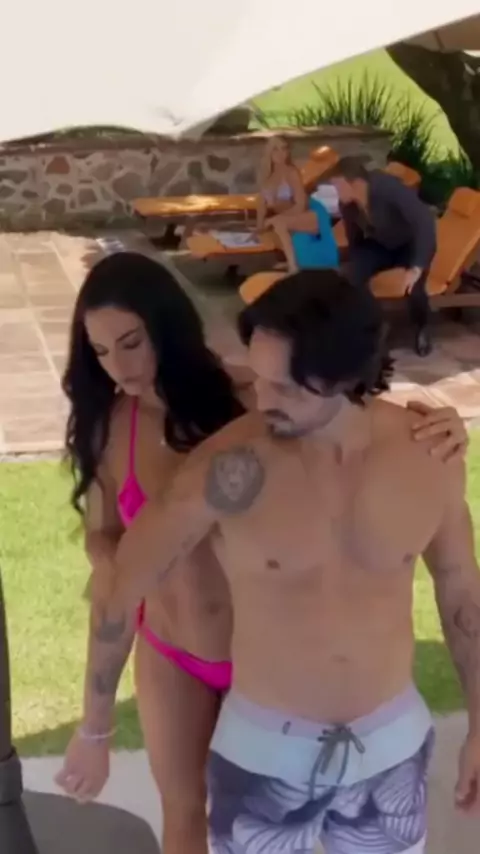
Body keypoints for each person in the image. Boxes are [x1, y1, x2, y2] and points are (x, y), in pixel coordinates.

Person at [112, 269, 478, 854]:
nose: (263, 400)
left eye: (285, 387)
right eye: (259, 378)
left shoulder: (429, 451)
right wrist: (94, 721)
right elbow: (125, 577)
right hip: (264, 753)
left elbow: (462, 595)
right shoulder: (231, 461)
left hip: (390, 747)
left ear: (344, 378)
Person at [55, 252, 245, 854]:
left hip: (263, 655)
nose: (119, 366)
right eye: (101, 351)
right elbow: (103, 531)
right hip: (170, 651)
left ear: (168, 324)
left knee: (259, 824)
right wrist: (115, 560)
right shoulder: (111, 423)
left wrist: (439, 418)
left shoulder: (250, 402)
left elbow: (351, 418)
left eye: (131, 343)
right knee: (182, 814)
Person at [330, 156, 437, 357]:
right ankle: (370, 328)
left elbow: (424, 221)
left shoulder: (387, 188)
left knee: (414, 288)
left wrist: (416, 267)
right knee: (351, 278)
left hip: (409, 245)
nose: (336, 192)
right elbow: (354, 238)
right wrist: (356, 264)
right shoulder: (347, 204)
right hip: (380, 245)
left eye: (338, 186)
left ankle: (422, 326)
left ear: (356, 183)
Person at [257, 136, 338, 273]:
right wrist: (259, 226)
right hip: (290, 216)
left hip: (310, 212)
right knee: (274, 224)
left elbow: (300, 206)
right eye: (275, 149)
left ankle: (293, 268)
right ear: (269, 152)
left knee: (279, 223)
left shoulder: (291, 173)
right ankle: (292, 262)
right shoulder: (266, 176)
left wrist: (278, 218)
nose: (280, 153)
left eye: (284, 149)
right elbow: (261, 203)